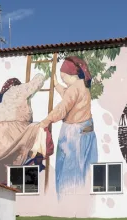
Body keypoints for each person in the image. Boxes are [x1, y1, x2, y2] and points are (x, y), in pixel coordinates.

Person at [39, 56, 98, 199]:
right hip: (87, 131)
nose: (63, 80)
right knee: (85, 170)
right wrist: (57, 85)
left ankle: (67, 201)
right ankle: (81, 200)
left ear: (71, 75)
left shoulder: (73, 89)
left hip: (74, 134)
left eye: (63, 77)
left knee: (69, 172)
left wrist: (47, 120)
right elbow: (68, 95)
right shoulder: (82, 85)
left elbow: (63, 107)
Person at [0, 73, 54, 183]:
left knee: (7, 164)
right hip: (13, 131)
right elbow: (35, 84)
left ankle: (11, 181)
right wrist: (43, 75)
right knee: (41, 132)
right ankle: (31, 166)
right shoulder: (18, 89)